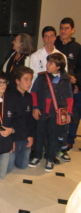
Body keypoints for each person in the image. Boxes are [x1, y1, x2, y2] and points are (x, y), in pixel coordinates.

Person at [29, 53, 73, 172]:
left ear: (58, 66)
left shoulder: (65, 79)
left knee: (53, 136)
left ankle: (50, 158)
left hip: (56, 113)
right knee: (39, 135)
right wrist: (35, 107)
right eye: (47, 62)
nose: (47, 65)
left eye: (50, 63)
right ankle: (37, 156)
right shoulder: (42, 77)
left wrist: (68, 112)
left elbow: (69, 97)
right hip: (42, 111)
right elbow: (34, 93)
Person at [55, 18, 81, 153]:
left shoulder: (77, 48)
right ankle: (54, 140)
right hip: (55, 87)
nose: (63, 31)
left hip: (71, 87)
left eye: (66, 28)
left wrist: (76, 80)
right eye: (61, 28)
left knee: (72, 114)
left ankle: (69, 141)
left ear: (72, 30)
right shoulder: (54, 45)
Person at [7, 66, 35, 173]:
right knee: (8, 169)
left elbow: (30, 119)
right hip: (12, 137)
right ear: (17, 81)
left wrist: (31, 135)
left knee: (23, 166)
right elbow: (7, 120)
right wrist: (10, 140)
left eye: (30, 79)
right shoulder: (9, 96)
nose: (29, 83)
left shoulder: (29, 96)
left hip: (24, 137)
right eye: (26, 79)